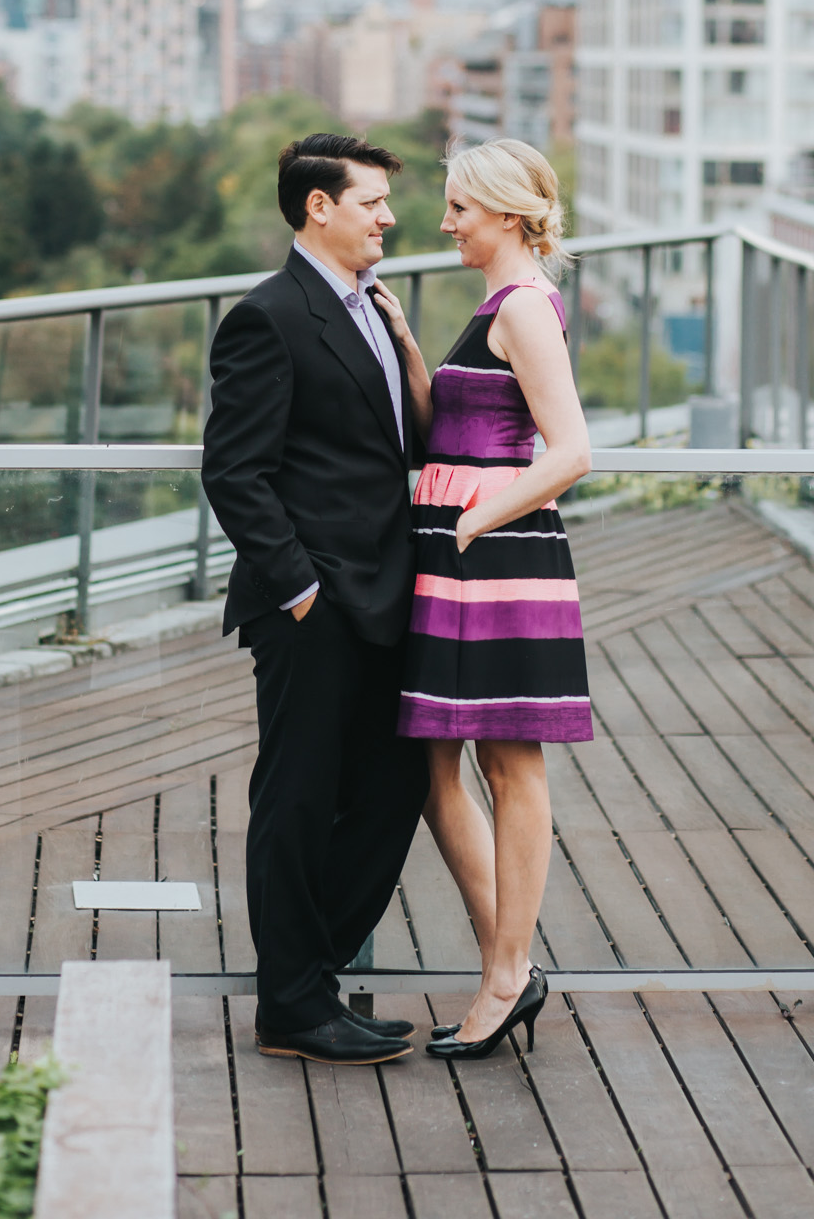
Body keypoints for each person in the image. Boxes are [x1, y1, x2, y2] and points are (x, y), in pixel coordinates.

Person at [201, 133, 430, 1066]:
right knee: (296, 799)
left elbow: (403, 440)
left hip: (386, 591)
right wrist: (299, 590)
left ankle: (306, 981)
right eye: (370, 201)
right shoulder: (269, 315)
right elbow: (235, 472)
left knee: (395, 785)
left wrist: (409, 339)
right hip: (314, 603)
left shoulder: (374, 308)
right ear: (317, 209)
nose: (388, 216)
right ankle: (292, 1008)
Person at [370, 138, 592, 1061]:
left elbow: (571, 451)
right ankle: (510, 966)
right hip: (463, 551)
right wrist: (413, 348)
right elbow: (449, 428)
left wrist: (470, 524)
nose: (443, 221)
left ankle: (504, 978)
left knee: (510, 767)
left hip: (493, 556)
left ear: (503, 212)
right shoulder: (497, 306)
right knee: (434, 770)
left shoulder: (527, 308)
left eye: (459, 207)